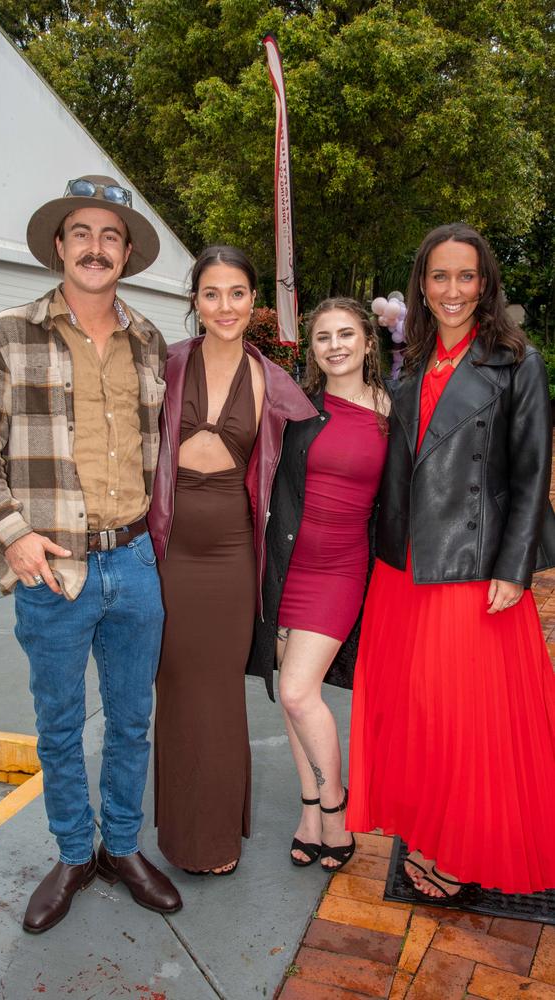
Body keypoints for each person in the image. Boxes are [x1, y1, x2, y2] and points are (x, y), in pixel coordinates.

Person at [0, 175, 182, 933]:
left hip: (135, 562)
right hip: (51, 565)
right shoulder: (6, 331)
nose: (96, 247)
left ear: (126, 253)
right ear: (60, 247)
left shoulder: (149, 340)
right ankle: (72, 854)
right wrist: (14, 532)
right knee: (58, 725)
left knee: (130, 720)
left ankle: (121, 847)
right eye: (81, 233)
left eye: (110, 236)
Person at [348, 222, 555, 902]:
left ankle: (467, 852)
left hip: (472, 569)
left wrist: (513, 568)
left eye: (467, 276)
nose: (453, 290)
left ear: (486, 283)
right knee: (425, 716)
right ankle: (433, 830)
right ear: (422, 285)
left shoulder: (516, 360)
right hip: (405, 567)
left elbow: (531, 473)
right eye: (440, 276)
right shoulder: (413, 360)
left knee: (473, 724)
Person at [148, 245, 317, 875]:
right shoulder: (163, 365)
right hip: (163, 548)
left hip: (229, 555)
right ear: (194, 299)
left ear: (254, 302)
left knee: (218, 691)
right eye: (212, 293)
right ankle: (177, 833)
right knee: (175, 686)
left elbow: (306, 471)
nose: (225, 306)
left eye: (237, 293)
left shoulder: (273, 383)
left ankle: (214, 838)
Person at [249, 298, 389, 872]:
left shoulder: (392, 410)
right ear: (312, 350)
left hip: (341, 568)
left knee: (298, 692)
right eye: (323, 337)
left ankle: (335, 804)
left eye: (345, 334)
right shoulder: (299, 408)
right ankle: (311, 810)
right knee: (292, 693)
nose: (335, 345)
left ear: (367, 342)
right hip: (286, 567)